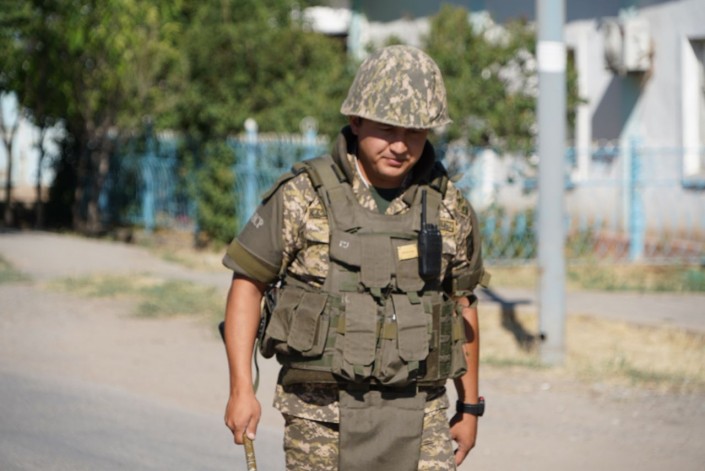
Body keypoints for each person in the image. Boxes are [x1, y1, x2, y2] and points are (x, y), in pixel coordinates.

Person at [222, 45, 490, 471]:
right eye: (387, 129)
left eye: (415, 132)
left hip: (421, 412)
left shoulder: (448, 207)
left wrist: (470, 408)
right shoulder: (303, 196)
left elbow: (462, 305)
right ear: (356, 121)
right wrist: (241, 389)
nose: (400, 145)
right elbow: (247, 286)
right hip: (320, 416)